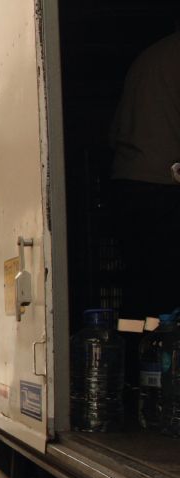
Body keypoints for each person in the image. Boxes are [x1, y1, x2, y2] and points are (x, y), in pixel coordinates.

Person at [109, 27, 180, 318]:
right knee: (168, 284)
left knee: (143, 283)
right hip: (164, 185)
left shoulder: (153, 57)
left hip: (128, 180)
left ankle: (138, 352)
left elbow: (113, 133)